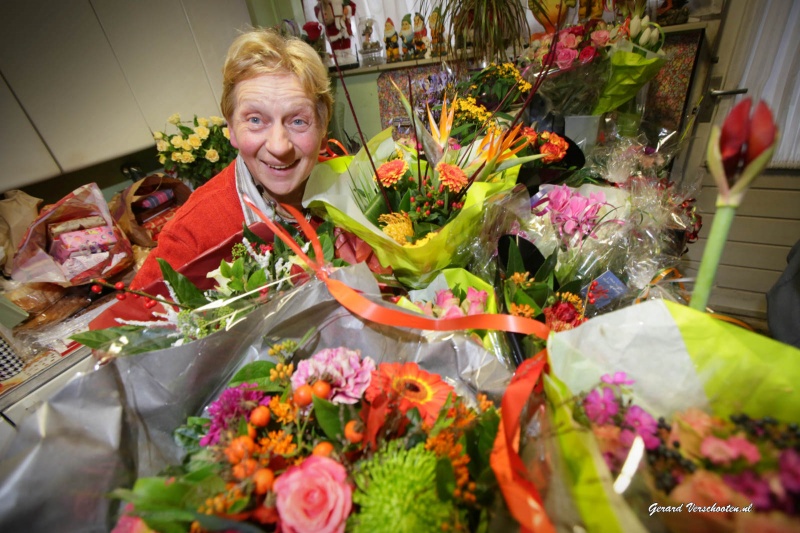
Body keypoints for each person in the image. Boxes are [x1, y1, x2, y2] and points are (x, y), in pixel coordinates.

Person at [131, 29, 333, 290]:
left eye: (298, 121)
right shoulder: (193, 234)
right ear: (231, 130)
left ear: (322, 128)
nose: (279, 146)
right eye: (256, 120)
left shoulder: (349, 184)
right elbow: (128, 323)